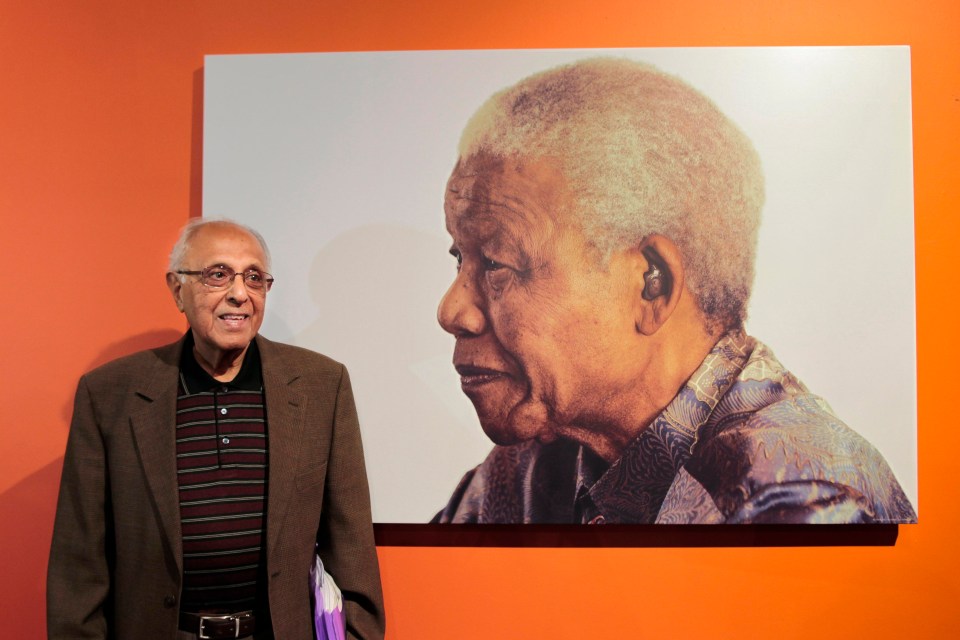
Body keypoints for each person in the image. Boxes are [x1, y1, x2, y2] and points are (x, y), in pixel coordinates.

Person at [433, 58, 916, 525]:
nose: (452, 310)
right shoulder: (527, 468)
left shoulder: (797, 497)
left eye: (496, 264)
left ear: (651, 284)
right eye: (461, 258)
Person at [48, 219, 385, 639]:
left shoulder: (321, 384)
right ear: (177, 290)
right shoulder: (110, 394)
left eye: (254, 278)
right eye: (218, 275)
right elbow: (79, 566)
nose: (240, 294)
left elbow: (350, 544)